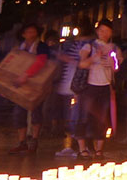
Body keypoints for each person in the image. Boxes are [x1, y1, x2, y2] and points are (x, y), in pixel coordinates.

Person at [76, 20, 121, 159]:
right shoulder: (89, 46)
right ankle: (82, 149)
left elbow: (117, 67)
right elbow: (82, 63)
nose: (104, 33)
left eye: (107, 31)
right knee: (83, 116)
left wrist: (112, 63)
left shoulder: (114, 48)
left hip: (105, 86)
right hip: (89, 86)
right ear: (97, 31)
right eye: (102, 30)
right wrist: (94, 58)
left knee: (102, 118)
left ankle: (99, 150)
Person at [8, 24, 51, 154]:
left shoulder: (42, 47)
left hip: (37, 84)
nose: (31, 34)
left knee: (36, 112)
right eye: (28, 32)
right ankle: (22, 142)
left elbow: (41, 62)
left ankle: (34, 140)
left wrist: (26, 75)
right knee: (18, 113)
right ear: (23, 34)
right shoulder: (19, 47)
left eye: (33, 32)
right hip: (20, 85)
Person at [53, 23, 92, 157]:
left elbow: (81, 63)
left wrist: (66, 59)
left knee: (75, 117)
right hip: (69, 85)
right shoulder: (75, 44)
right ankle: (76, 146)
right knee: (71, 117)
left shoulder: (84, 45)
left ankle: (79, 147)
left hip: (76, 85)